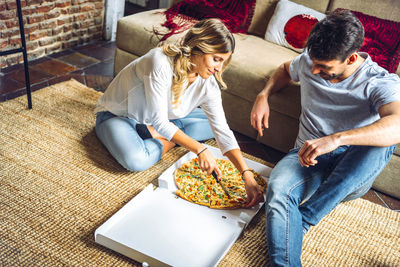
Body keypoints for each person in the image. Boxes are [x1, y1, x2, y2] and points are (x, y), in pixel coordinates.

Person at [250, 10, 400, 266]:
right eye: (313, 62)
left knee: (384, 142)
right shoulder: (309, 61)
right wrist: (263, 95)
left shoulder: (379, 82)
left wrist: (337, 139)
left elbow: (396, 124)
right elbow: (285, 69)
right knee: (277, 189)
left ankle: (306, 216)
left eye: (325, 67)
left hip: (351, 171)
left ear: (352, 58)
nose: (315, 69)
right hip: (305, 158)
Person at [95, 18, 264, 207]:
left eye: (223, 62)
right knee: (135, 160)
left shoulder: (208, 84)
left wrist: (246, 174)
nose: (219, 68)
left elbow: (222, 130)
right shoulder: (158, 62)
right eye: (215, 59)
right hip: (118, 116)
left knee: (214, 127)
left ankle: (167, 132)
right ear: (198, 48)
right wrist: (200, 149)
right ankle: (169, 137)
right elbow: (161, 121)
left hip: (159, 120)